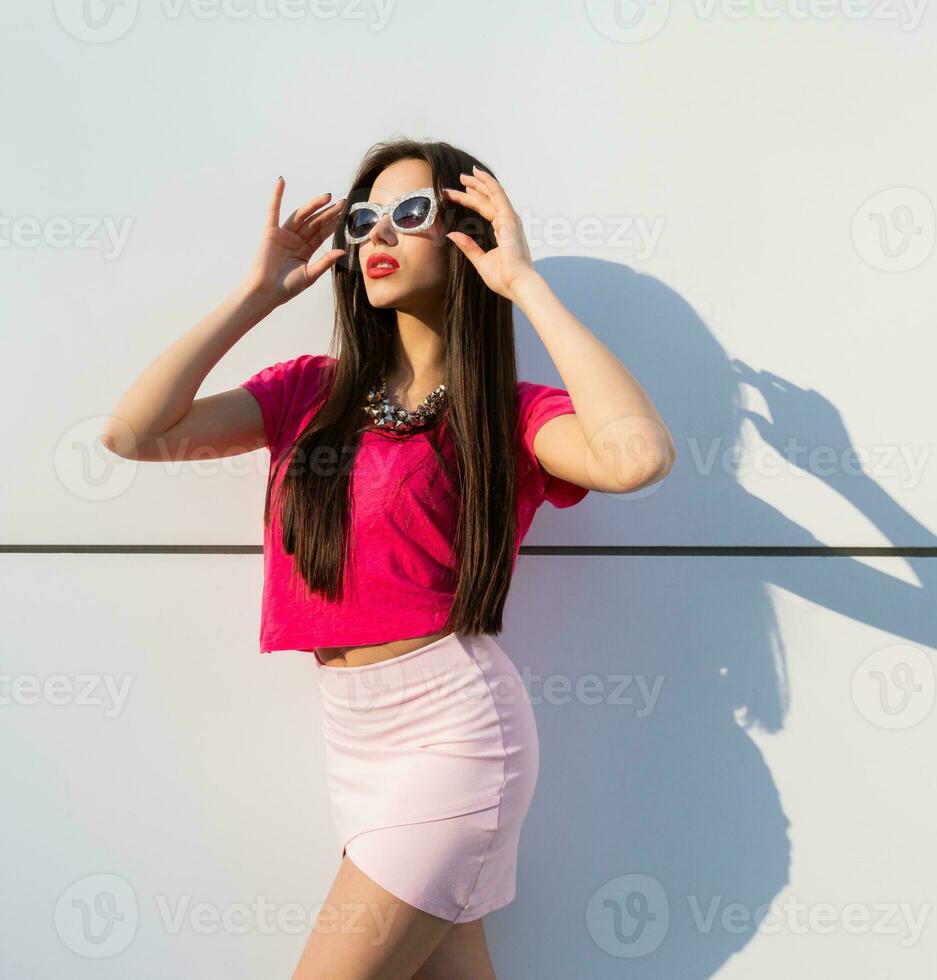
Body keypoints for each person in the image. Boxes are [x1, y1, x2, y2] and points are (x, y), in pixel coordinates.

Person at [103, 138, 674, 979]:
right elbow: (134, 433)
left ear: (467, 235)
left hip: (454, 732)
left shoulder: (506, 416)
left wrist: (522, 283)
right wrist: (256, 295)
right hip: (355, 741)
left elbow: (636, 458)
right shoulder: (310, 393)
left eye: (412, 214)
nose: (379, 233)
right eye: (366, 216)